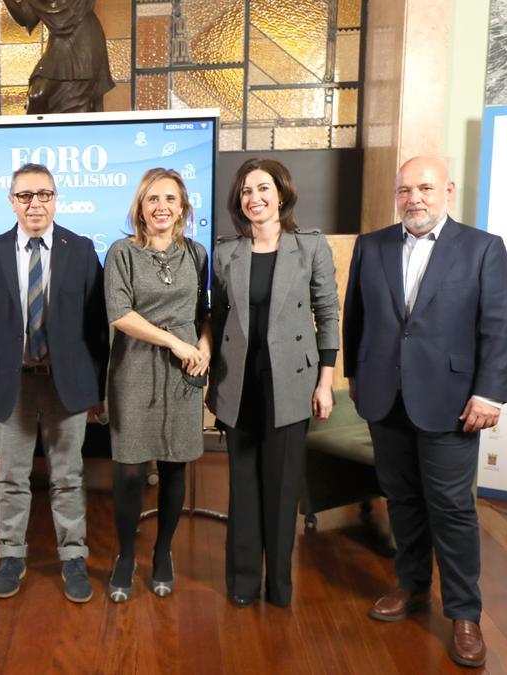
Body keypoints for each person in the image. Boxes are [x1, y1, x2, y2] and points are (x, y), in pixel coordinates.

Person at [344, 156, 507, 668]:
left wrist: (489, 394)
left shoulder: (482, 248)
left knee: (452, 507)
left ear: (447, 190)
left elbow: (500, 326)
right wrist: (357, 378)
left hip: (452, 402)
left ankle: (465, 613)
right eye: (404, 190)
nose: (413, 198)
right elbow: (357, 319)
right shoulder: (371, 245)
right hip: (383, 397)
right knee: (401, 497)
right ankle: (412, 585)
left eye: (424, 188)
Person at [0, 163, 109, 603]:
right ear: (11, 201)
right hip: (13, 386)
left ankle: (73, 557)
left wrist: (96, 392)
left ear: (55, 198)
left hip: (68, 388)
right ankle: (12, 556)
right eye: (25, 196)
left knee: (68, 476)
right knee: (11, 477)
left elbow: (96, 328)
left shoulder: (81, 250)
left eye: (43, 194)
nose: (35, 204)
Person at [207, 158, 340, 609]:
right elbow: (218, 318)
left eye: (263, 188)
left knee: (282, 490)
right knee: (242, 489)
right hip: (239, 383)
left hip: (292, 383)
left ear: (280, 194)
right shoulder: (227, 253)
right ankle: (243, 583)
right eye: (246, 191)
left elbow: (327, 315)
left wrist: (326, 382)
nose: (254, 198)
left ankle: (279, 585)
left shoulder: (311, 247)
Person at [104, 168, 211, 602]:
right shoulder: (121, 253)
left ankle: (163, 551)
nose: (161, 206)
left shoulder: (198, 254)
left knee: (174, 464)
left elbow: (208, 311)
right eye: (152, 199)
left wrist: (202, 346)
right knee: (130, 471)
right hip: (135, 367)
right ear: (140, 208)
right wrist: (174, 341)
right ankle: (126, 555)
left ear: (183, 206)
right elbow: (119, 313)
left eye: (170, 198)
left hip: (185, 372)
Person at [0, 0, 114, 113]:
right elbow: (25, 16)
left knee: (77, 99)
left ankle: (75, 128)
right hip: (59, 43)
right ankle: (40, 129)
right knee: (37, 95)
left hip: (82, 40)